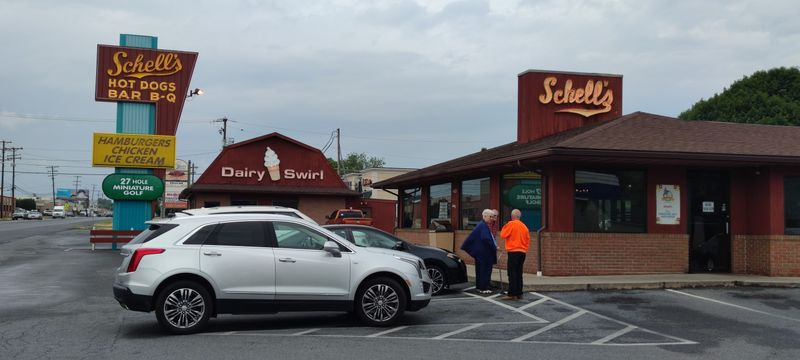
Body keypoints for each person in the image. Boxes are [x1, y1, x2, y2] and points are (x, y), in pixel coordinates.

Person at [460, 209, 498, 294]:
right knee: (485, 271)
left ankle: (479, 287)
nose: (492, 218)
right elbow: (486, 239)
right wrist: (494, 246)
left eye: (492, 216)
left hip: (480, 254)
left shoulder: (482, 225)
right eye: (490, 216)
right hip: (484, 254)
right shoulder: (483, 226)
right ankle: (483, 288)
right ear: (485, 216)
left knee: (480, 270)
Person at [500, 209, 530, 300]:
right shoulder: (524, 226)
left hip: (513, 252)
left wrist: (506, 225)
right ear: (519, 217)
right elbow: (528, 240)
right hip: (522, 252)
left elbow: (503, 235)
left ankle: (512, 294)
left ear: (512, 216)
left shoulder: (511, 224)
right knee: (519, 273)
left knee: (512, 273)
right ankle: (519, 293)